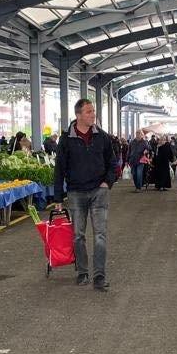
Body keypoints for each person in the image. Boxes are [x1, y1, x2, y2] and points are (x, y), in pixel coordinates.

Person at [54, 99, 115, 291]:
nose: (92, 114)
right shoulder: (66, 139)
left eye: (93, 111)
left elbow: (113, 163)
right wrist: (57, 198)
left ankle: (99, 275)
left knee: (100, 235)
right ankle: (82, 272)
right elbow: (59, 169)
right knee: (78, 235)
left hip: (99, 191)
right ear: (78, 115)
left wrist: (107, 183)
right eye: (88, 112)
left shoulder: (102, 137)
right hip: (75, 193)